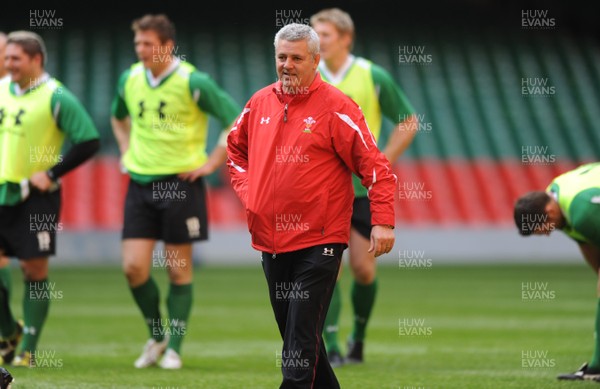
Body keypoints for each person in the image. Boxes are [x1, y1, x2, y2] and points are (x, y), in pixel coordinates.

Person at [226, 23, 397, 388]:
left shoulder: (337, 107)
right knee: (300, 339)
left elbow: (375, 166)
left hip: (320, 241)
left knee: (298, 345)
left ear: (316, 60)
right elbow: (235, 151)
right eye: (281, 57)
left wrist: (383, 220)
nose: (287, 65)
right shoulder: (259, 103)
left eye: (296, 58)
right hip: (270, 240)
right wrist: (250, 192)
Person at [110, 14, 241, 369]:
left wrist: (212, 162)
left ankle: (175, 349)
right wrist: (125, 151)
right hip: (139, 182)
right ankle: (157, 336)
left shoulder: (193, 81)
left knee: (177, 270)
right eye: (137, 43)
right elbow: (117, 117)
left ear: (167, 46)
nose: (140, 50)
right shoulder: (130, 78)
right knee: (134, 267)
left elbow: (236, 119)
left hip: (181, 185)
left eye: (147, 43)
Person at [310, 7, 418, 366]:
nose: (318, 40)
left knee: (364, 269)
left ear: (345, 38)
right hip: (324, 189)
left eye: (324, 34)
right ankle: (332, 345)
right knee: (330, 268)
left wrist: (381, 160)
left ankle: (358, 336)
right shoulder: (308, 75)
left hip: (362, 192)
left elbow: (408, 120)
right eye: (314, 33)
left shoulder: (372, 75)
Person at [0, 31, 100, 367]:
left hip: (36, 198)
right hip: (2, 193)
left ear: (36, 60)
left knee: (33, 269)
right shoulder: (2, 89)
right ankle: (7, 331)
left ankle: (28, 346)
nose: (8, 64)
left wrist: (52, 174)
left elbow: (88, 141)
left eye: (15, 58)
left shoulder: (56, 96)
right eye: (7, 58)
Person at [514, 162, 600, 381]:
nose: (547, 234)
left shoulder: (583, 211)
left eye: (543, 228)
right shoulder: (556, 200)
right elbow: (585, 242)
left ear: (549, 212)